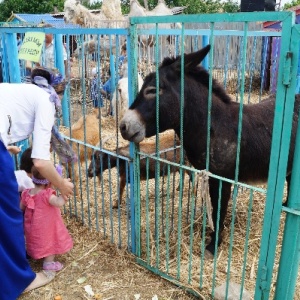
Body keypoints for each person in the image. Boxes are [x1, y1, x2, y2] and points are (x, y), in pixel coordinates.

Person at [0, 67, 74, 299]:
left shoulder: (24, 91)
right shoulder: (46, 100)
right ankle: (18, 280)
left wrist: (5, 145)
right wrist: (62, 185)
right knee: (8, 213)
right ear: (59, 92)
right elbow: (41, 162)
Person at [20, 166, 73, 272]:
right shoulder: (47, 195)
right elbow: (58, 203)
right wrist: (64, 195)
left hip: (31, 226)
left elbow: (20, 207)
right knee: (49, 242)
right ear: (48, 182)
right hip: (46, 227)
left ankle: (33, 254)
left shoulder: (26, 193)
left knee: (33, 240)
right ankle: (48, 263)